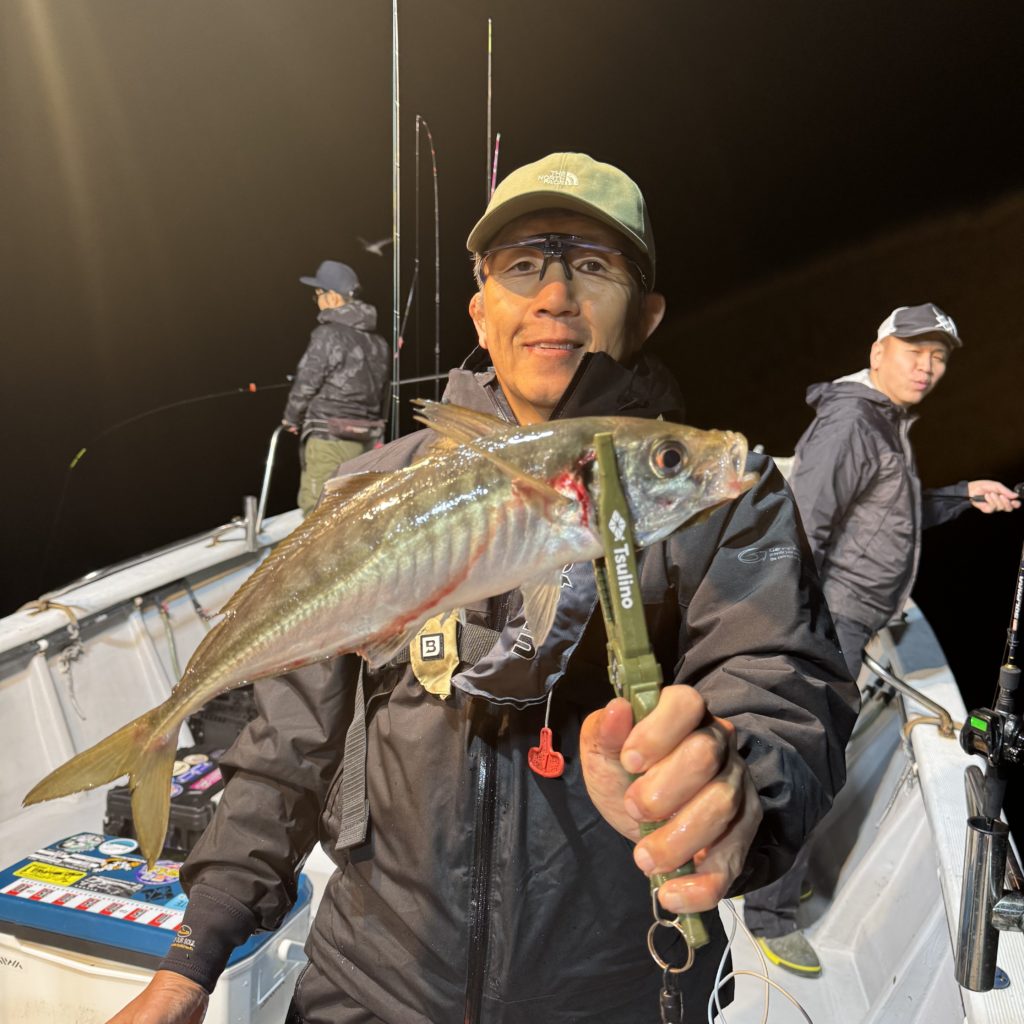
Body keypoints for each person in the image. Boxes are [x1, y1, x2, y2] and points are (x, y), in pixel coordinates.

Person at [108, 153, 859, 1024]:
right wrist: (190, 963)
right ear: (481, 308)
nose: (555, 296)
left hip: (613, 993)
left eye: (592, 264)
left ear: (647, 313)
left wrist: (735, 790)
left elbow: (779, 686)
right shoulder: (377, 486)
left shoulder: (722, 501)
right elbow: (288, 746)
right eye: (522, 265)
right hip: (368, 984)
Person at [742, 302, 1020, 977]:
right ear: (878, 352)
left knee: (819, 758)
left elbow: (889, 510)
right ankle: (769, 912)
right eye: (913, 350)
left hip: (852, 622)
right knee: (809, 765)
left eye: (939, 357)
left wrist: (962, 495)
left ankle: (777, 877)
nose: (927, 367)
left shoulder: (883, 419)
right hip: (829, 623)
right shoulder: (851, 423)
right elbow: (804, 528)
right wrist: (800, 635)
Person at [282, 259, 391, 516]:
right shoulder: (379, 342)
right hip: (368, 438)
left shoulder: (327, 335)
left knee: (318, 510)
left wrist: (291, 418)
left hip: (329, 437)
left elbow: (307, 382)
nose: (316, 300)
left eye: (318, 294)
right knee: (357, 510)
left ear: (332, 297)